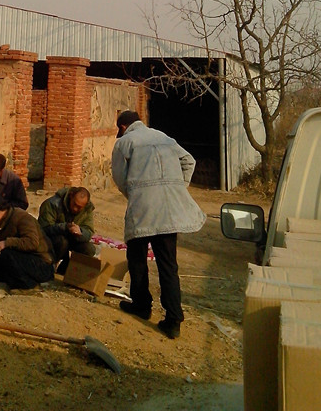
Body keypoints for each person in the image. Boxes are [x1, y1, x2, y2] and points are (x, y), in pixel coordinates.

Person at [111, 110, 206, 339]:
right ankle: (173, 320)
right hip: (168, 211)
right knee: (168, 266)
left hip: (142, 209)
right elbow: (189, 161)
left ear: (122, 127)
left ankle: (141, 306)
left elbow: (119, 178)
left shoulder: (125, 142)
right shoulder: (164, 138)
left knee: (137, 259)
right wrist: (176, 187)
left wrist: (135, 195)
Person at [0, 196, 55, 289]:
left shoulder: (21, 218)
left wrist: (7, 243)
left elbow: (32, 242)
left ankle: (28, 287)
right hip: (30, 262)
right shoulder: (4, 223)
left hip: (43, 266)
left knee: (6, 253)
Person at [38, 186, 96, 274]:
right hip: (53, 240)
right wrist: (65, 227)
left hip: (73, 239)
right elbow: (44, 229)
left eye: (79, 207)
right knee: (62, 242)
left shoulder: (87, 209)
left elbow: (89, 231)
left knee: (89, 249)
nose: (75, 209)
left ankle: (67, 271)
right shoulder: (52, 204)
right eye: (74, 204)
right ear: (71, 196)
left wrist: (80, 232)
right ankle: (48, 267)